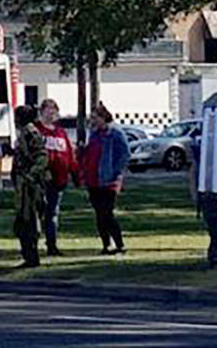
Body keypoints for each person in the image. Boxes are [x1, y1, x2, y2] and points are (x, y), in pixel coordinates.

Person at [81, 103, 130, 255]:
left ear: (103, 117)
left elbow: (125, 154)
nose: (93, 121)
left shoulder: (115, 133)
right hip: (93, 179)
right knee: (98, 214)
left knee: (106, 213)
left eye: (95, 118)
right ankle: (105, 244)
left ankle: (119, 244)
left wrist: (115, 172)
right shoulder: (94, 134)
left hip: (109, 180)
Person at [188, 109, 217, 269]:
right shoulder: (204, 145)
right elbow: (194, 168)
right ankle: (215, 253)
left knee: (215, 224)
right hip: (206, 188)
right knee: (212, 223)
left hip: (215, 188)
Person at [34, 98, 78, 256]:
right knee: (38, 212)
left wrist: (74, 172)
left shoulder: (60, 132)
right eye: (48, 110)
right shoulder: (37, 131)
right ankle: (32, 243)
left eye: (54, 111)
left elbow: (69, 155)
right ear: (42, 112)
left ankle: (51, 244)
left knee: (53, 212)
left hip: (59, 180)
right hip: (40, 180)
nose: (52, 114)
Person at [12, 105, 49, 268]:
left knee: (30, 221)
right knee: (22, 221)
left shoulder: (31, 133)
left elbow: (42, 156)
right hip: (22, 184)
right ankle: (27, 254)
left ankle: (32, 256)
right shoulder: (23, 133)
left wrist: (30, 176)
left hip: (31, 186)